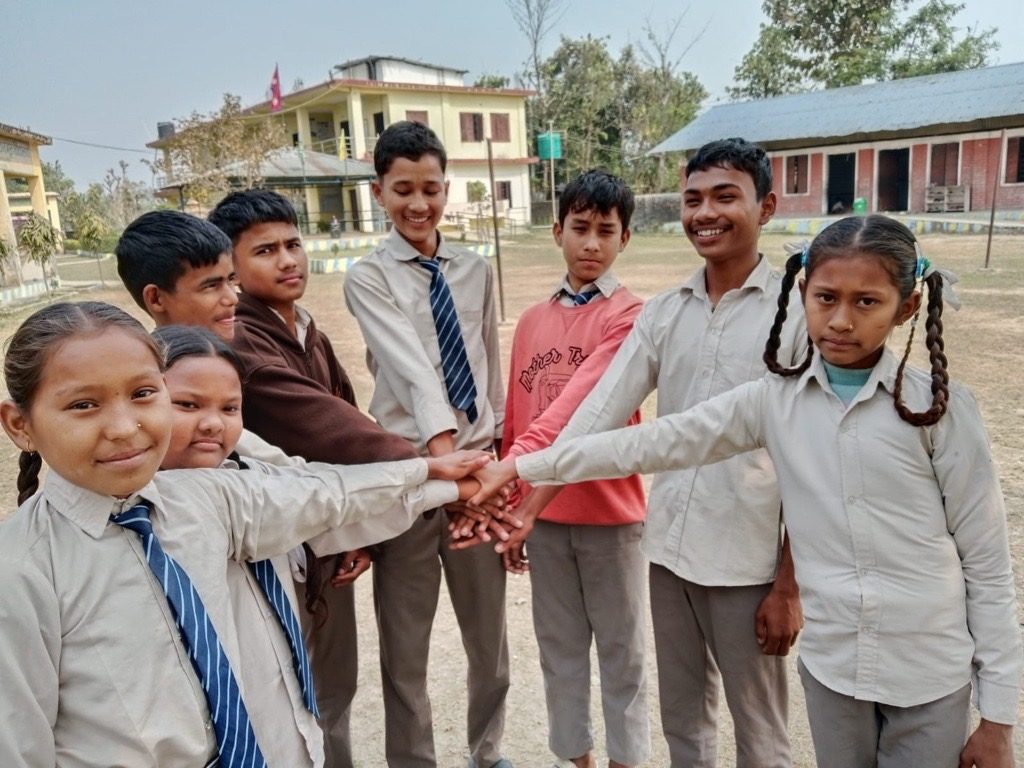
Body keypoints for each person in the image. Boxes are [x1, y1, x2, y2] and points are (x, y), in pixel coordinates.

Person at [471, 215, 1022, 768]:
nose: (840, 321)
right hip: (834, 673)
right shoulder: (772, 402)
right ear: (804, 293)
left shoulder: (940, 414)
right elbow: (655, 441)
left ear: (905, 308)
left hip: (928, 675)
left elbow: (989, 568)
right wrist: (522, 468)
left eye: (867, 303)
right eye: (826, 298)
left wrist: (998, 717)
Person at [0, 301, 493, 767]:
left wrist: (445, 480)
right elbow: (18, 747)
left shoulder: (204, 498)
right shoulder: (20, 572)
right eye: (84, 405)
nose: (125, 427)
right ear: (19, 424)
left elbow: (327, 493)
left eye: (143, 394)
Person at [461, 138, 805, 767]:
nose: (706, 213)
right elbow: (596, 412)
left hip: (747, 559)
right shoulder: (668, 313)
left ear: (768, 206)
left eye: (726, 197)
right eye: (693, 199)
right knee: (684, 723)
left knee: (759, 731)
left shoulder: (799, 312)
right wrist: (521, 481)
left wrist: (789, 582)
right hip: (669, 550)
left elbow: (812, 470)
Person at [207, 188, 415, 768]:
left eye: (293, 244)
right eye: (266, 250)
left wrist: (357, 533)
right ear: (232, 268)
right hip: (280, 543)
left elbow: (350, 411)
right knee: (300, 695)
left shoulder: (308, 329)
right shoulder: (241, 341)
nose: (288, 260)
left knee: (335, 686)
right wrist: (429, 469)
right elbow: (334, 430)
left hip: (330, 538)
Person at [343, 120, 511, 768]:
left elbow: (489, 366)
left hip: (478, 469)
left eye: (432, 188)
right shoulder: (368, 277)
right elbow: (411, 368)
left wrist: (489, 464)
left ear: (447, 188)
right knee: (404, 647)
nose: (420, 204)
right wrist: (450, 473)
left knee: (489, 641)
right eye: (404, 189)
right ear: (380, 191)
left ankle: (488, 751)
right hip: (411, 473)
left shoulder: (475, 269)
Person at [498, 169, 648, 768]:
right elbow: (518, 415)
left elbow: (591, 409)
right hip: (547, 519)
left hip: (611, 513)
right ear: (557, 231)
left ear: (625, 238)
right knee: (559, 649)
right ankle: (576, 759)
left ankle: (625, 760)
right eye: (579, 228)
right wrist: (516, 511)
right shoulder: (533, 321)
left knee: (622, 653)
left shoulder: (633, 314)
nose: (591, 244)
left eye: (605, 231)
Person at [116, 209, 239, 341]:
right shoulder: (155, 361)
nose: (233, 299)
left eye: (231, 280)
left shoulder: (229, 355)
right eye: (210, 286)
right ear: (156, 298)